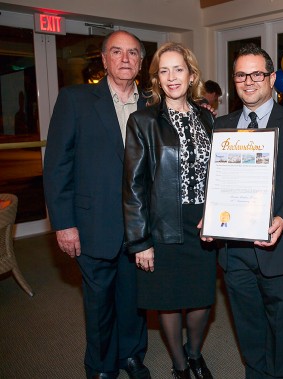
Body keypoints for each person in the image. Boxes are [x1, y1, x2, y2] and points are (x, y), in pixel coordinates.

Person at [43, 30, 151, 379]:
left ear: (140, 61)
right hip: (93, 224)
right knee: (99, 301)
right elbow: (57, 166)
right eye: (116, 52)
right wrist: (63, 223)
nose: (124, 59)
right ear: (103, 59)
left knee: (134, 299)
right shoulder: (75, 100)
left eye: (132, 53)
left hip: (140, 227)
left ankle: (133, 356)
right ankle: (102, 366)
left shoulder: (152, 104)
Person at [212, 43, 283, 379]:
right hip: (235, 253)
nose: (248, 81)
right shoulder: (221, 126)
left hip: (281, 249)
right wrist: (210, 213)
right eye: (241, 74)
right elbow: (213, 182)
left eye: (257, 73)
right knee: (248, 329)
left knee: (281, 332)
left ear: (272, 78)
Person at [122, 42, 216, 379]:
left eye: (178, 69)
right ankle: (179, 366)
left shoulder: (207, 117)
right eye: (164, 71)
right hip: (163, 225)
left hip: (203, 225)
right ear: (157, 79)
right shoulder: (143, 121)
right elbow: (133, 186)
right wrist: (140, 241)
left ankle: (194, 354)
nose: (172, 77)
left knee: (203, 299)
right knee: (169, 300)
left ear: (191, 75)